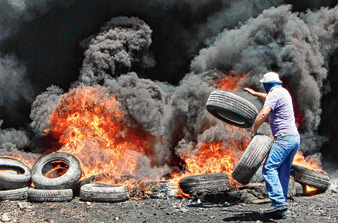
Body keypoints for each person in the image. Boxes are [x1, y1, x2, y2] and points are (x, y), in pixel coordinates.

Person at [244, 72, 300, 219]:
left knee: (268, 168)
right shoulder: (283, 92)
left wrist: (254, 129)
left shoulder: (274, 94)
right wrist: (255, 94)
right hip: (294, 138)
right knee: (283, 171)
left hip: (284, 139)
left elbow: (263, 114)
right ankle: (281, 208)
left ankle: (278, 202)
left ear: (267, 85)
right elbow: (268, 97)